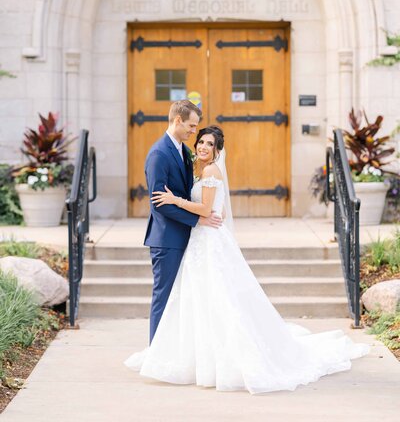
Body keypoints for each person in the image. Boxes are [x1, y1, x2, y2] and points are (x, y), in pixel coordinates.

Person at [125, 125, 370, 394]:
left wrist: (175, 200)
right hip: (200, 240)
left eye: (210, 144)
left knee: (220, 299)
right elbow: (216, 208)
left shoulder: (210, 171)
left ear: (218, 151)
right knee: (201, 299)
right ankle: (195, 357)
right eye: (201, 142)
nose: (204, 147)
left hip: (209, 242)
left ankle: (223, 359)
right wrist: (201, 211)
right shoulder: (198, 170)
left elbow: (206, 209)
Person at [143, 100, 222, 342]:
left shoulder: (182, 150)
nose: (194, 132)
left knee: (182, 298)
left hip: (186, 237)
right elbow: (160, 202)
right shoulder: (159, 154)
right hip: (167, 239)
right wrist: (198, 219)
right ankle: (155, 351)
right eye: (191, 125)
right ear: (177, 120)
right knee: (164, 297)